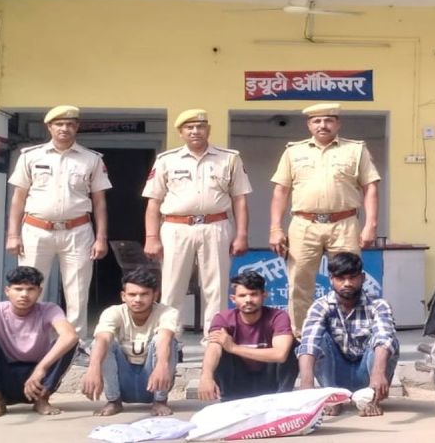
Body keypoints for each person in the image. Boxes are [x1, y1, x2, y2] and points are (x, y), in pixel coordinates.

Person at [269, 102, 381, 334]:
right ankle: (302, 337)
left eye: (328, 120)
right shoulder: (293, 152)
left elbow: (370, 187)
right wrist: (275, 228)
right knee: (299, 284)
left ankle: (349, 333)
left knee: (348, 281)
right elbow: (281, 191)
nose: (323, 125)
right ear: (309, 125)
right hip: (304, 225)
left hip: (344, 224)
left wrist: (370, 225)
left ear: (338, 124)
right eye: (317, 121)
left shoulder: (355, 150)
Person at [142, 109, 252, 334]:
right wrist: (151, 237)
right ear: (181, 132)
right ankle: (169, 338)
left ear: (208, 130)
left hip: (216, 226)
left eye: (200, 127)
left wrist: (241, 234)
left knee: (216, 288)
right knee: (172, 287)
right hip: (176, 227)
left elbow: (239, 199)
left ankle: (214, 339)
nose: (195, 131)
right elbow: (154, 202)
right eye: (189, 127)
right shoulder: (166, 160)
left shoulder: (229, 158)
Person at [6, 105, 112, 339]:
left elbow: (99, 202)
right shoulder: (31, 156)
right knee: (29, 287)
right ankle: (29, 340)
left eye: (70, 124)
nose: (64, 128)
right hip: (36, 229)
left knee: (77, 291)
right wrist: (13, 235)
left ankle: (75, 344)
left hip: (78, 230)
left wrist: (101, 238)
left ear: (77, 127)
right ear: (49, 127)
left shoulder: (91, 159)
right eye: (59, 124)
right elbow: (18, 198)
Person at [0, 266, 79, 418]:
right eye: (18, 289)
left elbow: (70, 336)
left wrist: (40, 369)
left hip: (38, 382)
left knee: (71, 342)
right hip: (3, 379)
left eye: (30, 289)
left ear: (39, 292)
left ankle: (42, 399)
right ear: (7, 291)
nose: (24, 294)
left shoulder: (49, 309)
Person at [297, 252, 399, 417]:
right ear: (331, 279)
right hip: (335, 376)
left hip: (369, 376)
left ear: (362, 278)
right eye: (340, 278)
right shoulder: (320, 306)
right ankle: (332, 399)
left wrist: (378, 374)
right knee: (318, 340)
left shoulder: (378, 305)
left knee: (386, 343)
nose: (347, 283)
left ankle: (370, 399)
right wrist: (306, 384)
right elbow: (309, 343)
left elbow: (384, 337)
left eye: (352, 278)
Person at [81, 268, 181, 416]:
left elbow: (164, 339)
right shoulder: (113, 312)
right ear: (123, 296)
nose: (138, 299)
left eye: (144, 294)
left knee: (168, 341)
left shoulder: (168, 312)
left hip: (154, 381)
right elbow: (102, 338)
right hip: (123, 380)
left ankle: (160, 401)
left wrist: (162, 365)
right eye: (132, 294)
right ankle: (113, 401)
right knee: (100, 343)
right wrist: (93, 368)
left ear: (155, 295)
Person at [198, 270, 298, 401]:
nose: (248, 300)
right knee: (219, 345)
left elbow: (280, 354)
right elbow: (213, 349)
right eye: (242, 295)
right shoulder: (223, 318)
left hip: (270, 381)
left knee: (292, 345)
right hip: (237, 382)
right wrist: (206, 376)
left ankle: (281, 399)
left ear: (264, 295)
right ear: (233, 299)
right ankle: (228, 399)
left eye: (254, 294)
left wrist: (234, 348)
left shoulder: (278, 316)